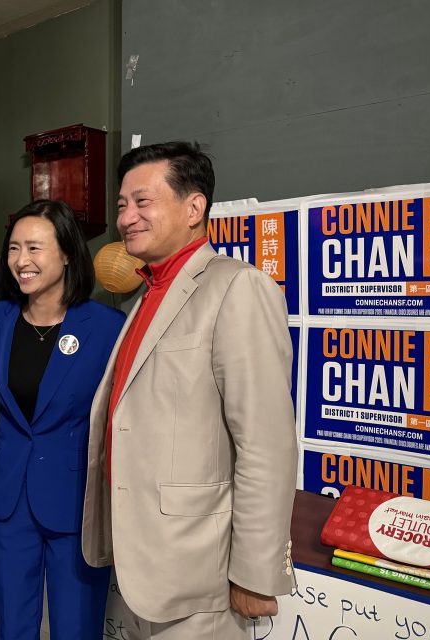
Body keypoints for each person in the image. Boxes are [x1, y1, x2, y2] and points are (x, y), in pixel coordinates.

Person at [81, 141, 297, 639]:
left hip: (201, 572)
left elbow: (266, 444)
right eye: (121, 206)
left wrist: (254, 572)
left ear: (194, 207)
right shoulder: (145, 294)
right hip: (143, 562)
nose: (127, 218)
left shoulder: (236, 288)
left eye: (142, 202)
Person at [0, 199, 125, 639]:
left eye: (35, 248)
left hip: (75, 500)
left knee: (76, 628)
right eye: (14, 248)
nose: (22, 261)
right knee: (12, 625)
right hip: (7, 500)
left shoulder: (105, 326)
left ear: (66, 254)